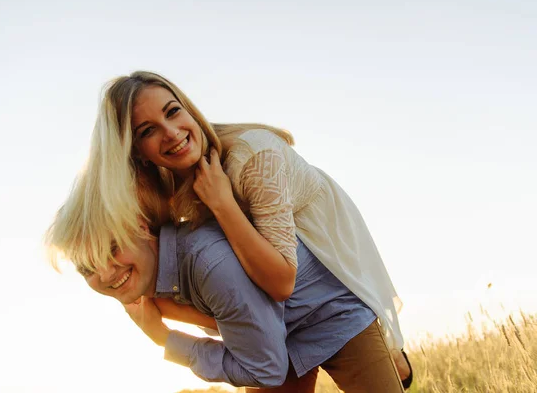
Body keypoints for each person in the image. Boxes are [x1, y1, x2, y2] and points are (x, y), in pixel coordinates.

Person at [48, 70, 411, 386]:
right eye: (148, 131)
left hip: (329, 300)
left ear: (189, 108)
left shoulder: (253, 158)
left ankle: (388, 351)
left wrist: (221, 203)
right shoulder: (169, 195)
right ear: (137, 152)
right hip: (276, 329)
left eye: (173, 112)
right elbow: (215, 292)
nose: (172, 133)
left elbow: (281, 283)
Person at [46, 195, 405, 392]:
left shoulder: (207, 261)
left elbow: (264, 369)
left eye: (111, 249)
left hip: (329, 315)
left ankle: (392, 359)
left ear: (140, 227)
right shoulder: (146, 284)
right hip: (271, 339)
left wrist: (164, 339)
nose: (105, 274)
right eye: (87, 268)